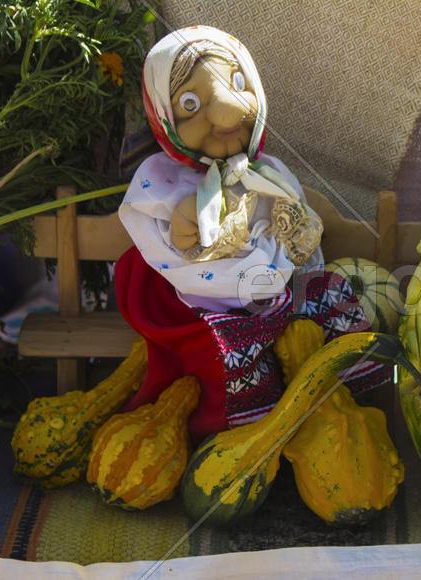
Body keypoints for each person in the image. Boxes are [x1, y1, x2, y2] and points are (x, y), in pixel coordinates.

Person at [115, 26, 377, 441]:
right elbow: (179, 249)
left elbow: (302, 231)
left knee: (331, 296)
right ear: (164, 119)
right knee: (231, 349)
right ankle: (254, 435)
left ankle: (342, 405)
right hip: (204, 306)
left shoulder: (268, 172)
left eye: (236, 84)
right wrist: (194, 221)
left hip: (280, 292)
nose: (225, 111)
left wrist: (294, 237)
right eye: (190, 104)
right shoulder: (166, 185)